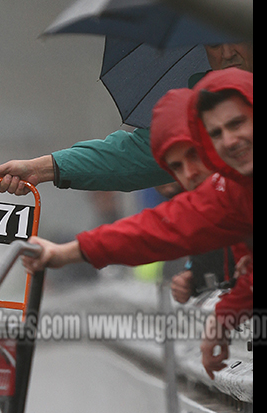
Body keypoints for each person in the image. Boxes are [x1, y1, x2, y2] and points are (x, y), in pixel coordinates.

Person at [19, 70, 253, 378]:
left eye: (237, 124)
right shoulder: (230, 192)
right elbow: (159, 229)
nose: (230, 141)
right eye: (217, 134)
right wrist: (68, 253)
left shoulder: (228, 190)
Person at [0, 42, 253, 196]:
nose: (228, 53)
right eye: (215, 44)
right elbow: (134, 156)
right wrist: (41, 168)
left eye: (236, 37)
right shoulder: (203, 107)